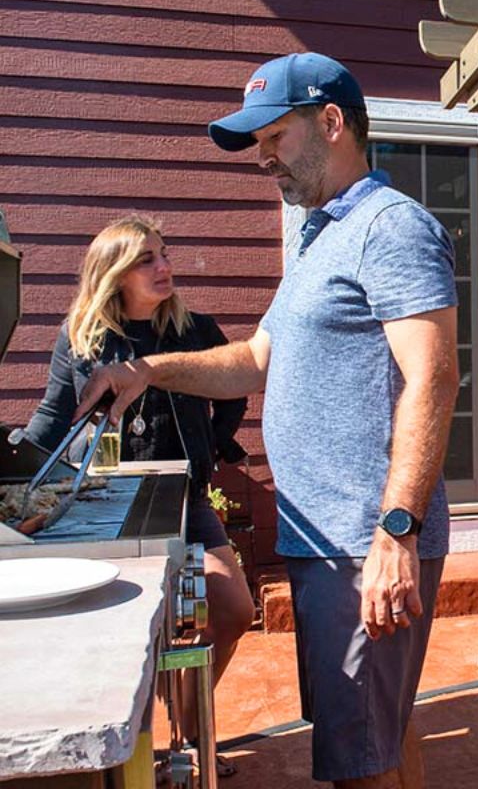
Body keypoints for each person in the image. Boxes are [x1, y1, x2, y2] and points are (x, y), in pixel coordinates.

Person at [75, 52, 458, 789]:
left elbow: (434, 377)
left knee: (359, 762)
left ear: (333, 122)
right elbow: (256, 359)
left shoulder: (390, 228)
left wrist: (397, 529)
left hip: (363, 539)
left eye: (273, 138)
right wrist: (148, 370)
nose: (263, 159)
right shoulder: (320, 239)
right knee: (380, 733)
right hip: (325, 539)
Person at [25, 214, 256, 777]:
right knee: (133, 630)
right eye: (146, 258)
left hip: (186, 497)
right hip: (107, 506)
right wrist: (18, 467)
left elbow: (234, 394)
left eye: (163, 253)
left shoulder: (196, 330)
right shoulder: (82, 340)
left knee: (234, 609)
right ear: (113, 273)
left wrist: (215, 442)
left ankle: (189, 719)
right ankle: (144, 742)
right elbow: (54, 417)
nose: (163, 266)